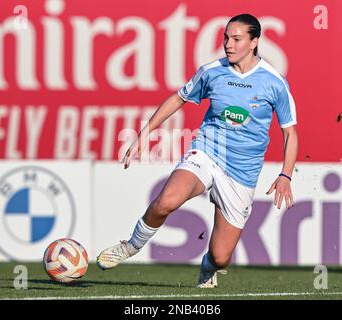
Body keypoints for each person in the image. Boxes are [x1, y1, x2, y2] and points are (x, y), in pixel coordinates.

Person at [97, 13, 298, 288]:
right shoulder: (212, 71)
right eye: (226, 37)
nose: (228, 44)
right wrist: (144, 134)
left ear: (254, 42)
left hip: (242, 171)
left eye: (236, 39)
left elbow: (290, 133)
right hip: (207, 151)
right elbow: (178, 98)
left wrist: (285, 175)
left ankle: (208, 267)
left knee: (221, 256)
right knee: (167, 200)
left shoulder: (274, 82)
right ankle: (131, 246)